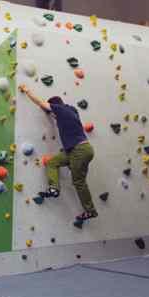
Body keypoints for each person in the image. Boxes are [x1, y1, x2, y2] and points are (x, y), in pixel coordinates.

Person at [23, 87, 97, 221]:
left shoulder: (60, 110)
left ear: (54, 107)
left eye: (51, 112)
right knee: (52, 163)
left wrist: (27, 91)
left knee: (78, 182)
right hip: (78, 150)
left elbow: (40, 103)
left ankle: (90, 210)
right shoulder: (72, 110)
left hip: (78, 151)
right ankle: (54, 188)